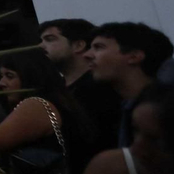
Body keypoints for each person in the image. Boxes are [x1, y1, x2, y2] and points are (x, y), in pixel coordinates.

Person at [41, 19, 121, 161]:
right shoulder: (55, 91)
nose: (40, 46)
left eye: (49, 39)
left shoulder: (103, 88)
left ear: (78, 45)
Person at [88, 22, 174, 147]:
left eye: (99, 47)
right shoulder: (115, 107)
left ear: (134, 56)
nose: (87, 55)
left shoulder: (166, 108)